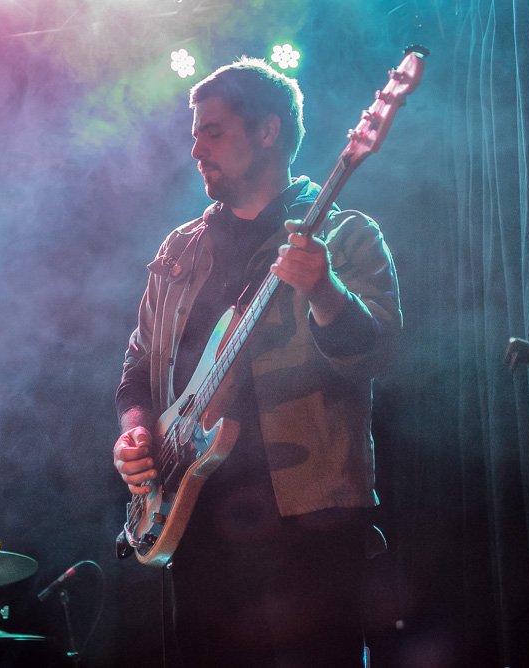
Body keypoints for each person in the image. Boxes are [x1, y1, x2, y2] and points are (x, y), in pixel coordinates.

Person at [112, 57, 402, 667]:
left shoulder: (345, 235)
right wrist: (136, 429)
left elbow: (376, 354)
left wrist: (325, 292)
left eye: (213, 131)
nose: (195, 148)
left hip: (309, 521)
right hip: (194, 519)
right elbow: (138, 366)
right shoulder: (178, 251)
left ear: (267, 131)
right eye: (194, 134)